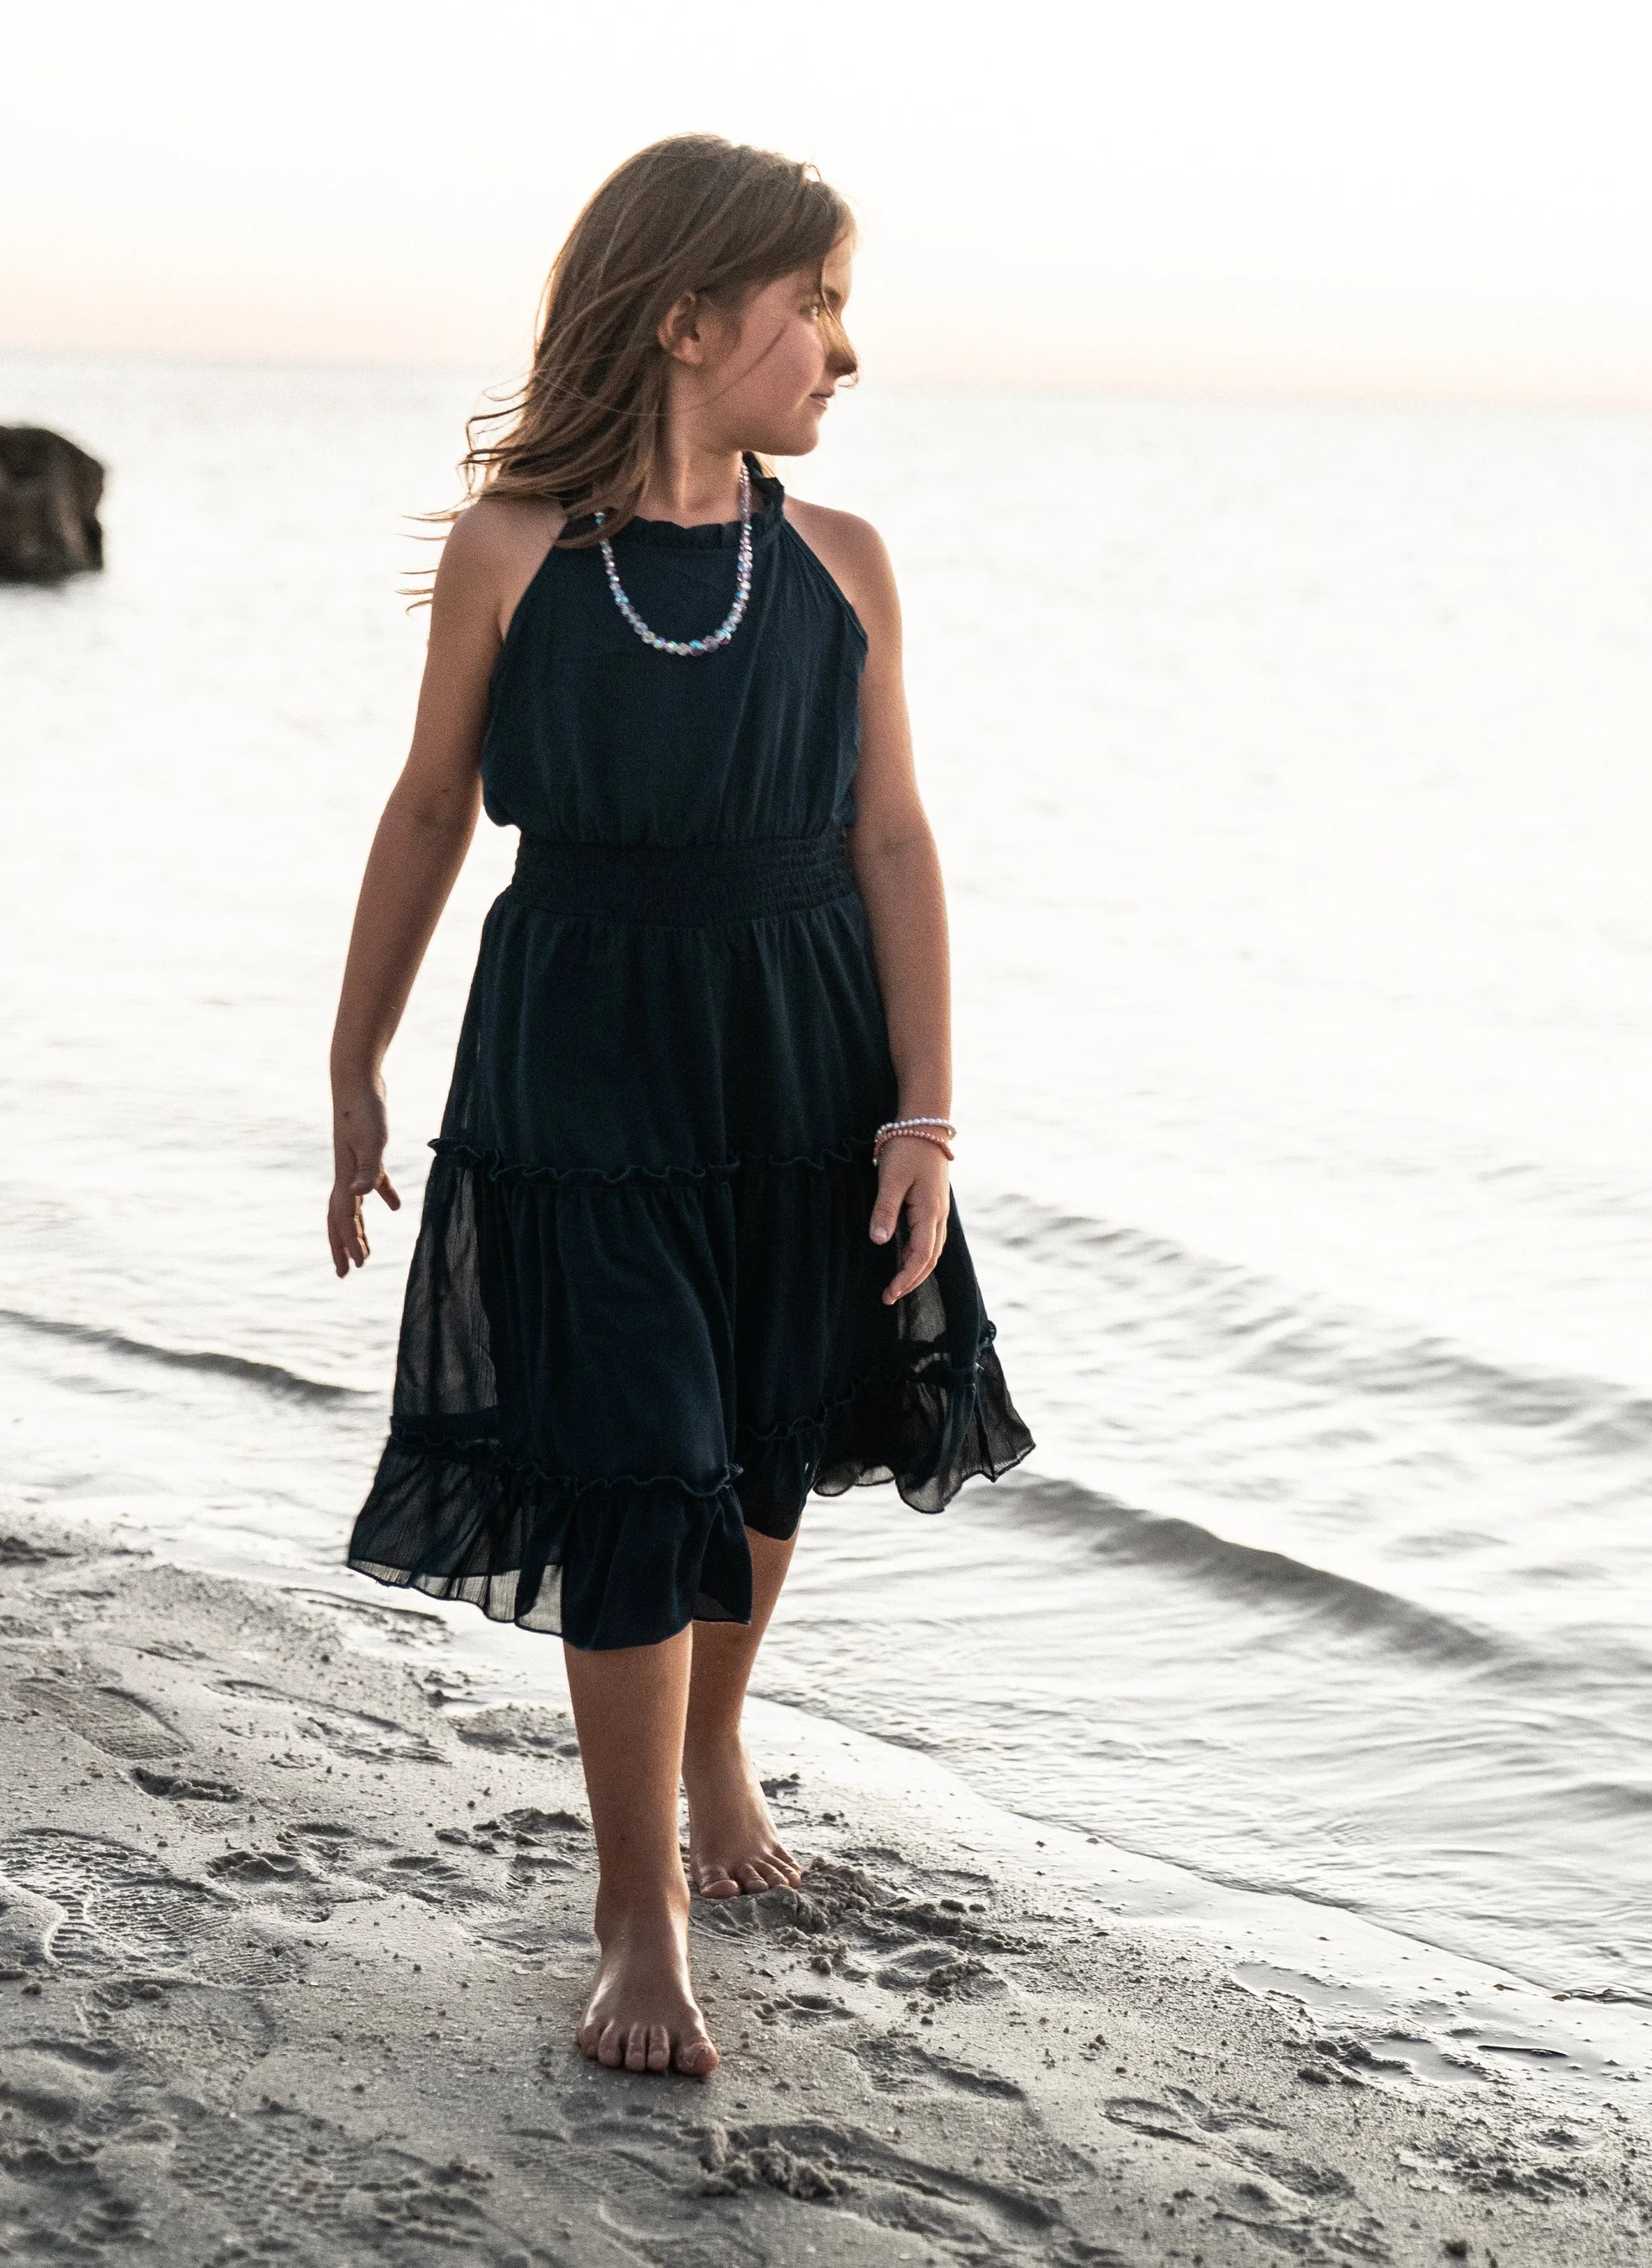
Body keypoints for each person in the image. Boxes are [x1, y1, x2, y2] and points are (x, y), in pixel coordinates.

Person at [326, 133, 1032, 2078]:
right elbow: (424, 815)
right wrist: (349, 1068)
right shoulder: (511, 561)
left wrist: (925, 1114)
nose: (841, 353)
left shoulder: (838, 563)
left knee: (767, 1434)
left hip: (800, 1044)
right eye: (814, 307)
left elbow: (889, 835)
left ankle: (718, 1742)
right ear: (685, 319)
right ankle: (635, 1908)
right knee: (639, 1447)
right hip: (583, 1044)